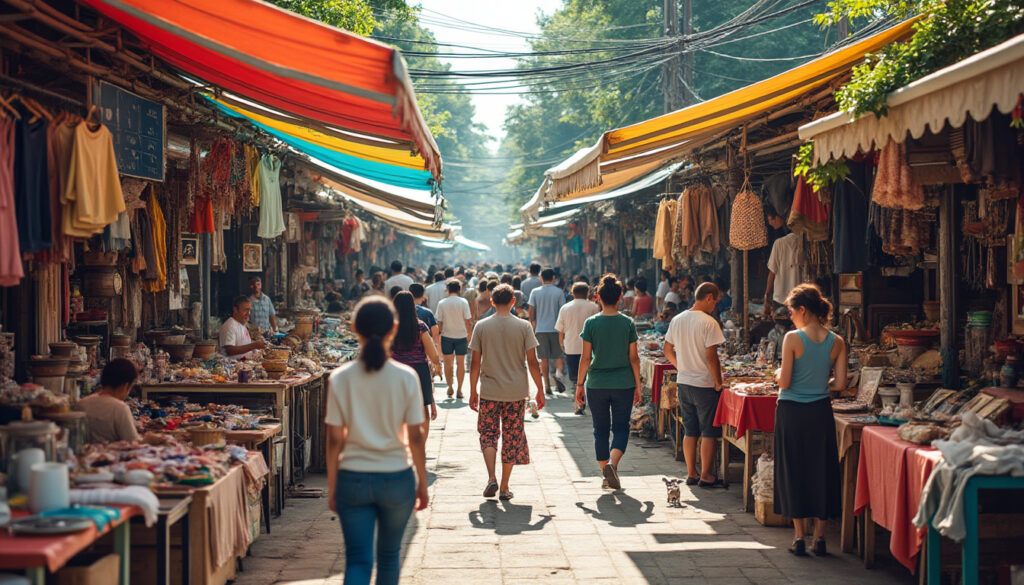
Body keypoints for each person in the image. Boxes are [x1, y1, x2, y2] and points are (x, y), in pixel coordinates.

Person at [325, 298, 428, 585]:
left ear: (354, 328)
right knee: (389, 557)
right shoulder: (406, 377)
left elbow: (335, 439)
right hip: (396, 478)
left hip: (352, 479)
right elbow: (416, 436)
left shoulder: (340, 378)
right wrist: (422, 481)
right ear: (393, 328)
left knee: (358, 560)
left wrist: (333, 485)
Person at [774, 284, 846, 557]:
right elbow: (839, 384)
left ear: (803, 310)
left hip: (791, 411)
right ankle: (820, 538)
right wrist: (819, 380)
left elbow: (786, 380)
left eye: (792, 311)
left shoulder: (793, 338)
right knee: (822, 469)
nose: (790, 317)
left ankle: (799, 537)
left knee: (794, 469)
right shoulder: (837, 341)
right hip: (820, 411)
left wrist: (778, 374)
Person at [468, 284, 545, 501]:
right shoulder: (524, 326)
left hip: (490, 391)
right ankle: (504, 486)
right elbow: (532, 361)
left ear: (492, 302)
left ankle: (491, 476)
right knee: (512, 436)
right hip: (515, 392)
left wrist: (473, 390)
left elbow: (475, 363)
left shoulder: (481, 326)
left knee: (488, 434)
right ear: (513, 302)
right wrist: (540, 389)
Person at [575, 275, 641, 491]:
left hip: (597, 384)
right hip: (624, 383)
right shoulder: (627, 323)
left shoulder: (591, 323)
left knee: (600, 430)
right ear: (620, 297)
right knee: (621, 428)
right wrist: (638, 385)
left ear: (598, 298)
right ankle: (612, 465)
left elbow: (585, 358)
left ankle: (606, 474)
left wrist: (578, 385)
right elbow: (634, 358)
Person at [663, 282, 726, 487]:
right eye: (715, 301)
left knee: (690, 430)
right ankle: (706, 475)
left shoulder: (678, 319)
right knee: (708, 431)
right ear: (708, 297)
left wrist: (681, 367)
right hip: (704, 385)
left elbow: (667, 350)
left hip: (684, 383)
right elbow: (711, 358)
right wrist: (718, 382)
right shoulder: (709, 322)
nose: (715, 305)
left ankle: (692, 473)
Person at [391, 292, 442, 439]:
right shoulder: (421, 327)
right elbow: (433, 356)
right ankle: (420, 446)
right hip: (419, 371)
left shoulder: (390, 327)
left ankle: (401, 443)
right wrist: (436, 363)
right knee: (422, 410)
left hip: (396, 371)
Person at [555, 282, 600, 415]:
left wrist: (562, 344)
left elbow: (560, 330)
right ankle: (586, 401)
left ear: (572, 293)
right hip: (590, 347)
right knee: (588, 376)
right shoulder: (593, 307)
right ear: (587, 293)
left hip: (571, 346)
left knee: (576, 378)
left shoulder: (565, 308)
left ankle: (579, 403)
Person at [76, 358, 141, 443]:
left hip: (86, 454)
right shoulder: (120, 408)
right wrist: (149, 439)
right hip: (110, 455)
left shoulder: (82, 403)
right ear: (125, 386)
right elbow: (133, 442)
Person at [528, 268, 569, 395]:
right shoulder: (559, 292)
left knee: (543, 358)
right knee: (559, 356)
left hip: (540, 329)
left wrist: (532, 323)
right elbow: (563, 311)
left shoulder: (535, 292)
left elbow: (531, 310)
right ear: (553, 278)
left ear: (541, 278)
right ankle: (557, 375)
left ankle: (546, 384)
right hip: (556, 329)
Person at [435, 280, 473, 398]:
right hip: (461, 336)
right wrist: (469, 334)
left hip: (447, 336)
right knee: (460, 363)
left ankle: (450, 387)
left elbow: (439, 322)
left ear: (448, 289)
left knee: (448, 363)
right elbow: (468, 321)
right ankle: (460, 389)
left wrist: (439, 336)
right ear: (459, 289)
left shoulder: (442, 303)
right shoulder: (463, 302)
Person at [763, 229, 801, 318]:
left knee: (780, 327)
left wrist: (767, 295)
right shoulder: (804, 243)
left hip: (780, 297)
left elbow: (772, 272)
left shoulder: (779, 243)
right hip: (799, 297)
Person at [409, 283, 440, 351]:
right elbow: (435, 333)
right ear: (422, 295)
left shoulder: (399, 311)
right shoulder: (427, 312)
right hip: (423, 350)